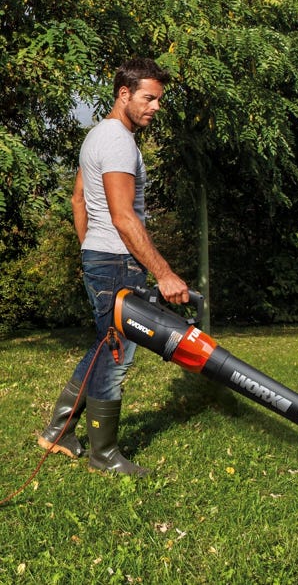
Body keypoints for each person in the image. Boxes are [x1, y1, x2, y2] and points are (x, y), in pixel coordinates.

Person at [37, 57, 189, 475]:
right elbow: (124, 217)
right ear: (124, 94)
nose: (155, 107)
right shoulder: (120, 140)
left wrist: (90, 249)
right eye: (149, 98)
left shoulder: (95, 137)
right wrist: (164, 272)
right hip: (118, 262)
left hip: (101, 257)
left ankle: (57, 431)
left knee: (106, 344)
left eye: (158, 99)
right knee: (117, 355)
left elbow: (78, 200)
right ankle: (103, 455)